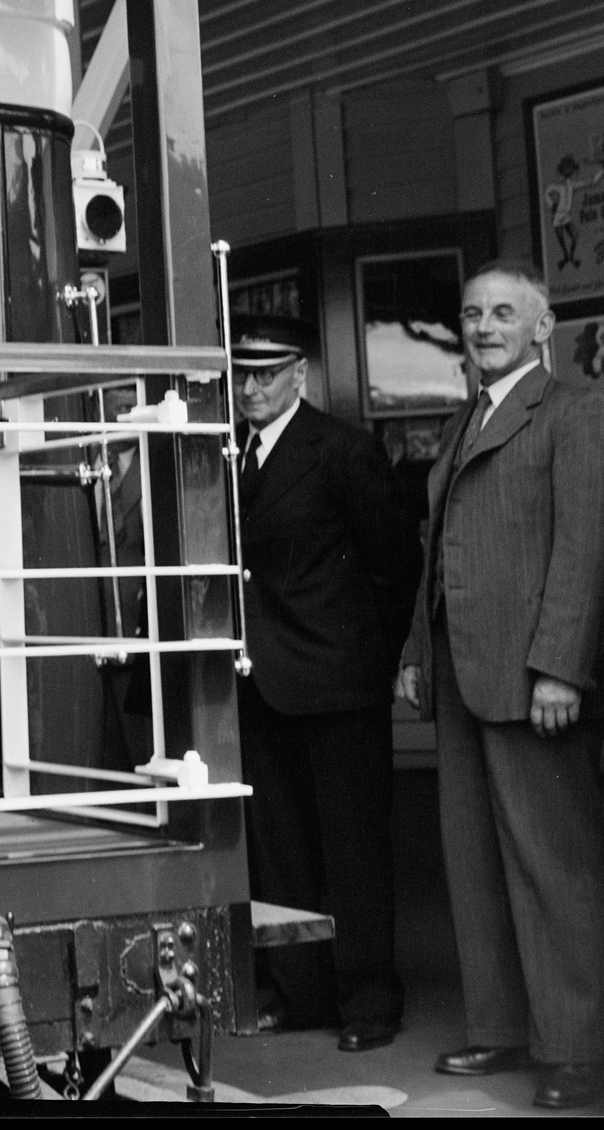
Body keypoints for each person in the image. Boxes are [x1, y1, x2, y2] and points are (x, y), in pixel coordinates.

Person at [397, 259, 604, 1109]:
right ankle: (498, 1030)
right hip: (464, 676)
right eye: (471, 313)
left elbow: (585, 551)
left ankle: (577, 1051)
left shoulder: (577, 413)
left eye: (503, 312)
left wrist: (560, 668)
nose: (483, 325)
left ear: (542, 327)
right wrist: (418, 650)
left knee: (552, 867)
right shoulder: (469, 418)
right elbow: (441, 549)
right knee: (475, 864)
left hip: (537, 680)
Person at [228, 314, 419, 1054]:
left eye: (266, 372)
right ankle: (302, 994)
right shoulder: (229, 454)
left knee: (354, 849)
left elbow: (393, 564)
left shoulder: (342, 449)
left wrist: (366, 665)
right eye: (241, 372)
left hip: (336, 686)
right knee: (280, 851)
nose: (250, 386)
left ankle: (370, 998)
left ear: (299, 373)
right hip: (261, 684)